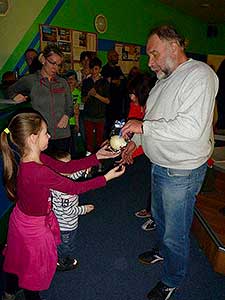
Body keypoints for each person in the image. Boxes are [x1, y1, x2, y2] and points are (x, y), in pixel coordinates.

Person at [121, 25, 218, 300]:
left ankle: (172, 278)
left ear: (174, 46)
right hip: (160, 164)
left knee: (175, 231)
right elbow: (151, 122)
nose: (149, 62)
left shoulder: (200, 75)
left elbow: (190, 128)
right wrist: (135, 143)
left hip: (182, 170)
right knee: (160, 217)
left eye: (154, 54)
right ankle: (163, 251)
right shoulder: (164, 80)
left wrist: (142, 130)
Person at [1, 111, 125, 300]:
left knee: (18, 257)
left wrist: (96, 156)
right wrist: (106, 177)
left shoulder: (34, 158)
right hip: (33, 228)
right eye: (45, 132)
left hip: (21, 219)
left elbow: (66, 168)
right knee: (33, 271)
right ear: (33, 138)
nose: (49, 136)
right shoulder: (38, 171)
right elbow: (73, 188)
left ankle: (9, 292)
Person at [8, 44, 73, 153]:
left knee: (63, 167)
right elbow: (10, 90)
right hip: (40, 137)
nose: (55, 68)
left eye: (58, 65)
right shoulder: (30, 80)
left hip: (62, 135)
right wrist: (14, 95)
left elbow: (70, 105)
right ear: (43, 60)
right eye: (52, 63)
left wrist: (66, 115)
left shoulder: (63, 83)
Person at [49, 150, 93, 271]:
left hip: (65, 222)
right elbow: (68, 211)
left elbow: (73, 175)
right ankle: (61, 261)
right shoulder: (64, 193)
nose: (70, 168)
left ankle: (58, 255)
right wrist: (84, 209)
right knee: (66, 245)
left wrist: (84, 168)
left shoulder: (61, 178)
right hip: (66, 225)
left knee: (65, 243)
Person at [125, 73, 156, 231]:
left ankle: (155, 217)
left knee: (161, 188)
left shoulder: (155, 103)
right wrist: (132, 146)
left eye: (133, 93)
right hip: (156, 156)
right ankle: (152, 211)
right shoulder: (144, 104)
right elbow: (142, 131)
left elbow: (150, 129)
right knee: (155, 183)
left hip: (171, 157)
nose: (131, 97)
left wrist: (133, 146)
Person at [82, 57, 110, 153]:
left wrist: (96, 95)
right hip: (88, 116)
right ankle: (88, 162)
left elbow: (107, 101)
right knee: (89, 141)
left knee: (100, 141)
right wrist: (89, 95)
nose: (94, 71)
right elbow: (83, 99)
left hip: (100, 116)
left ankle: (99, 162)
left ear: (100, 69)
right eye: (92, 69)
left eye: (96, 69)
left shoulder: (104, 82)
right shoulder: (86, 82)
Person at [101, 49, 127, 138]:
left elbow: (124, 81)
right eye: (115, 56)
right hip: (108, 105)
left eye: (117, 56)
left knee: (118, 128)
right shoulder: (104, 69)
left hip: (119, 104)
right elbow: (105, 83)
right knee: (108, 129)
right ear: (109, 57)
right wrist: (115, 81)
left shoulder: (118, 69)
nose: (117, 58)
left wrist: (116, 81)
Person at [64, 69, 85, 158]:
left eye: (72, 79)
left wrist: (77, 124)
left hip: (73, 123)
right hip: (63, 123)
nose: (70, 81)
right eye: (68, 79)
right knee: (65, 146)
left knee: (74, 145)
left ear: (76, 81)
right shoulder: (62, 92)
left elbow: (77, 110)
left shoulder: (78, 93)